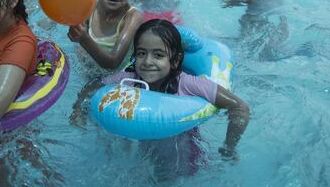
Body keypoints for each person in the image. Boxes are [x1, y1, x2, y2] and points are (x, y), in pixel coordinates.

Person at [102, 19, 249, 156]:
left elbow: (240, 107)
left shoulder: (187, 84)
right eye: (141, 53)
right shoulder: (129, 79)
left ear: (176, 60)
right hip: (146, 151)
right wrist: (78, 112)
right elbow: (95, 86)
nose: (147, 61)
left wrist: (229, 147)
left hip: (185, 155)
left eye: (158, 55)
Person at [67, 0, 144, 70]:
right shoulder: (89, 7)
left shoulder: (133, 16)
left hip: (118, 76)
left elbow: (113, 63)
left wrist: (83, 39)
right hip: (89, 68)